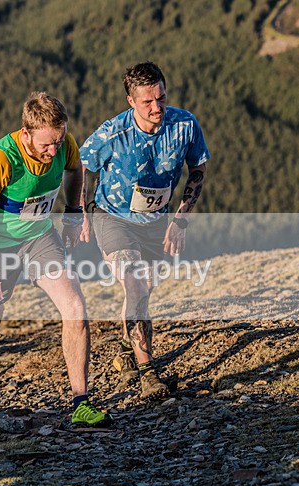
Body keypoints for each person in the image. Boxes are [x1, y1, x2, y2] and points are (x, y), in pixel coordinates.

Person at [0, 92, 111, 432]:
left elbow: (75, 170)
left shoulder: (62, 142)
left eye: (58, 141)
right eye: (46, 144)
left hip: (38, 238)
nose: (53, 150)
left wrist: (72, 212)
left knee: (75, 306)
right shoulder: (1, 160)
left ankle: (81, 403)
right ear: (26, 134)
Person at [80, 61, 209, 399]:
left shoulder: (185, 124)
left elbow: (198, 168)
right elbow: (80, 165)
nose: (157, 108)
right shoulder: (112, 133)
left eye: (162, 98)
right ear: (130, 101)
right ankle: (148, 373)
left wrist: (181, 218)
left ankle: (126, 345)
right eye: (147, 102)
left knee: (144, 287)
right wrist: (77, 212)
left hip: (155, 221)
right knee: (135, 281)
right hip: (112, 217)